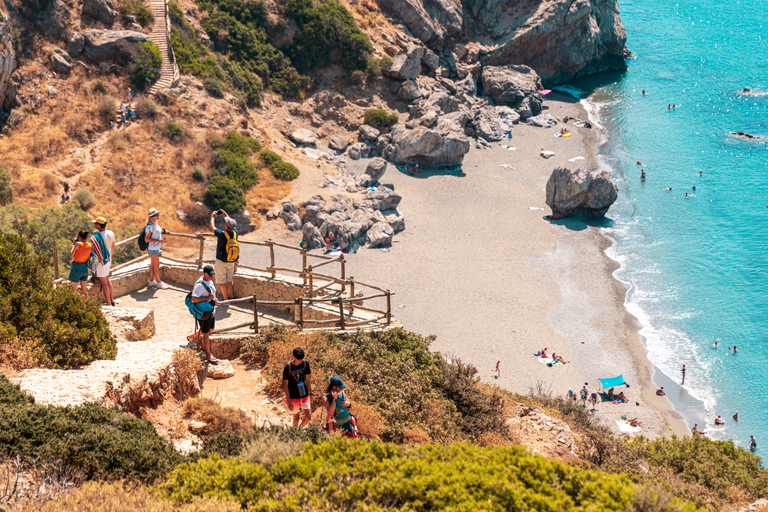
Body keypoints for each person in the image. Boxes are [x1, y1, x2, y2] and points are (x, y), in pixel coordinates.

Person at [187, 265, 218, 362]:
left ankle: (193, 336)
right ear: (204, 274)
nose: (212, 277)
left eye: (213, 275)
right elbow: (193, 299)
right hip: (203, 312)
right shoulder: (199, 285)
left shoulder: (210, 281)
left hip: (210, 310)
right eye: (210, 275)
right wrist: (208, 298)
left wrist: (214, 299)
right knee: (206, 333)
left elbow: (211, 293)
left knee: (211, 328)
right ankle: (209, 355)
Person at [210, 210, 239, 300]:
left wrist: (212, 217)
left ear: (226, 225)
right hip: (231, 260)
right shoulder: (235, 233)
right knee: (229, 280)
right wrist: (225, 214)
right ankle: (232, 297)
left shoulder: (222, 234)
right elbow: (230, 223)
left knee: (222, 282)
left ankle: (226, 300)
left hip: (221, 261)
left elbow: (212, 227)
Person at [283, 348, 312, 427]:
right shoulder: (288, 367)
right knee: (296, 418)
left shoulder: (305, 363)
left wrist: (311, 393)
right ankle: (294, 434)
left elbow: (307, 378)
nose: (300, 361)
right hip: (293, 396)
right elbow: (285, 385)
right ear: (293, 357)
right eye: (299, 359)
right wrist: (288, 401)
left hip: (304, 394)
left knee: (308, 418)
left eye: (302, 359)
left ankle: (299, 431)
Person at [91, 217, 116, 307]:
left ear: (98, 225)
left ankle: (109, 304)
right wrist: (110, 257)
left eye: (95, 224)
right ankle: (112, 300)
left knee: (104, 282)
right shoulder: (111, 233)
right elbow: (113, 246)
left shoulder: (97, 237)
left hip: (101, 261)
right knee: (107, 278)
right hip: (108, 259)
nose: (95, 225)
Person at [144, 208, 169, 289]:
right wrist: (158, 240)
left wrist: (164, 231)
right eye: (156, 214)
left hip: (155, 247)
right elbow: (146, 239)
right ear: (152, 216)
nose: (158, 215)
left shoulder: (155, 224)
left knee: (152, 265)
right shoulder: (150, 226)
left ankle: (151, 281)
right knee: (157, 265)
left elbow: (158, 231)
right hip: (152, 248)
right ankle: (159, 282)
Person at [69, 230, 92, 295]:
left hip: (77, 267)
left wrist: (74, 244)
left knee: (73, 290)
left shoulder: (78, 244)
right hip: (84, 267)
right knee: (84, 291)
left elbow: (71, 255)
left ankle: (75, 304)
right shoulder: (90, 245)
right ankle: (87, 303)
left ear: (79, 237)